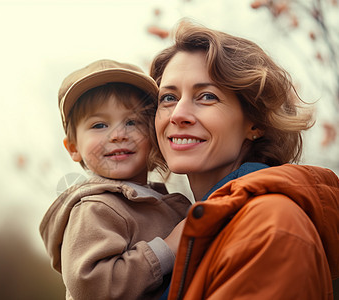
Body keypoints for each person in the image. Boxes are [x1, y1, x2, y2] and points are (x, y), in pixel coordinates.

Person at [150, 20, 339, 299]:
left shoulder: (270, 225)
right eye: (168, 97)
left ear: (255, 123)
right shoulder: (193, 226)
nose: (178, 114)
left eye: (206, 97)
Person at [39, 59, 191, 299]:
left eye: (132, 122)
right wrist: (169, 248)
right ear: (73, 148)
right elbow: (90, 286)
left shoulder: (157, 198)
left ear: (154, 133)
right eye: (99, 125)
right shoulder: (94, 207)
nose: (118, 135)